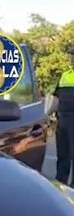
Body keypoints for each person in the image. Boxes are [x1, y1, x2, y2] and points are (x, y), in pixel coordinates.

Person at [47, 47, 74, 186]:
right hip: (62, 119)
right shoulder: (65, 75)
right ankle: (60, 185)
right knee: (62, 156)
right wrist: (47, 114)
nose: (72, 57)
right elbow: (56, 99)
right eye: (71, 55)